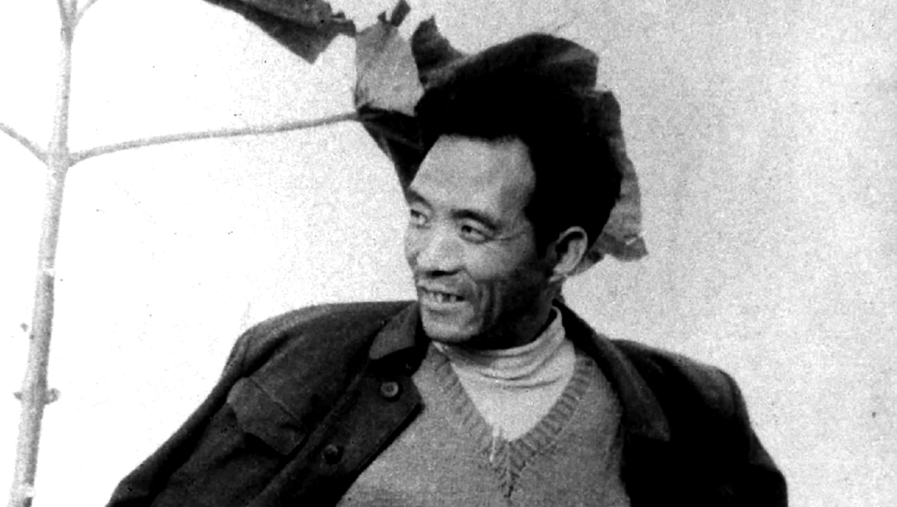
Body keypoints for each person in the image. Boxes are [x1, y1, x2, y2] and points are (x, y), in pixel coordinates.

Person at [106, 30, 787, 507]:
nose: (429, 256)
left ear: (564, 253)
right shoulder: (298, 362)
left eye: (471, 229)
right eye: (419, 215)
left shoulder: (691, 410)